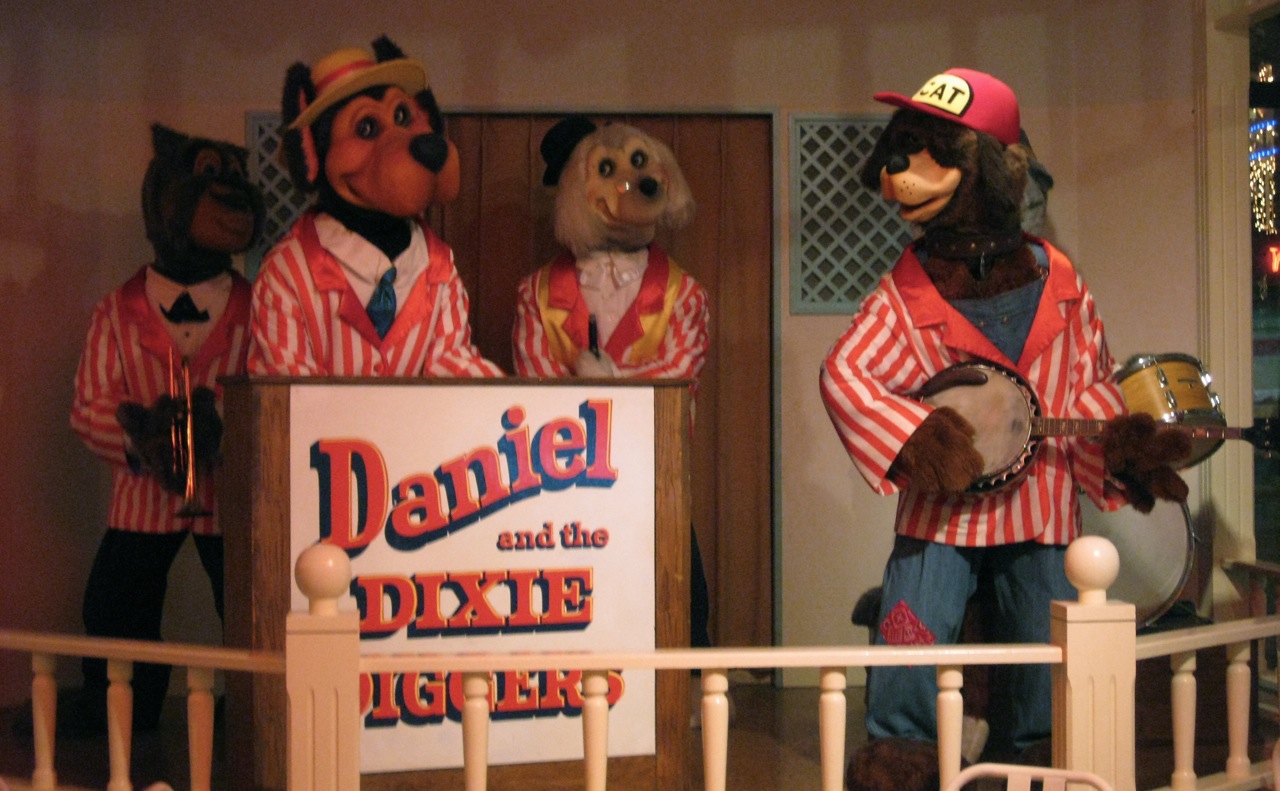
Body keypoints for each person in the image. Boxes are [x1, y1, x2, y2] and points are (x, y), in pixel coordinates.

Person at [67, 124, 263, 734]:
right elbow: (89, 405)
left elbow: (270, 389)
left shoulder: (260, 308)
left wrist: (222, 429)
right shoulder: (116, 310)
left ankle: (253, 713)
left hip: (228, 500)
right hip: (140, 500)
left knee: (249, 607)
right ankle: (123, 707)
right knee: (115, 603)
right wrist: (141, 439)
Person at [248, 38, 500, 378]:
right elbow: (287, 393)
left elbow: (451, 362)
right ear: (312, 154)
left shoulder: (438, 267)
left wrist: (503, 399)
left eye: (402, 116)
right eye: (366, 127)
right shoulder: (289, 272)